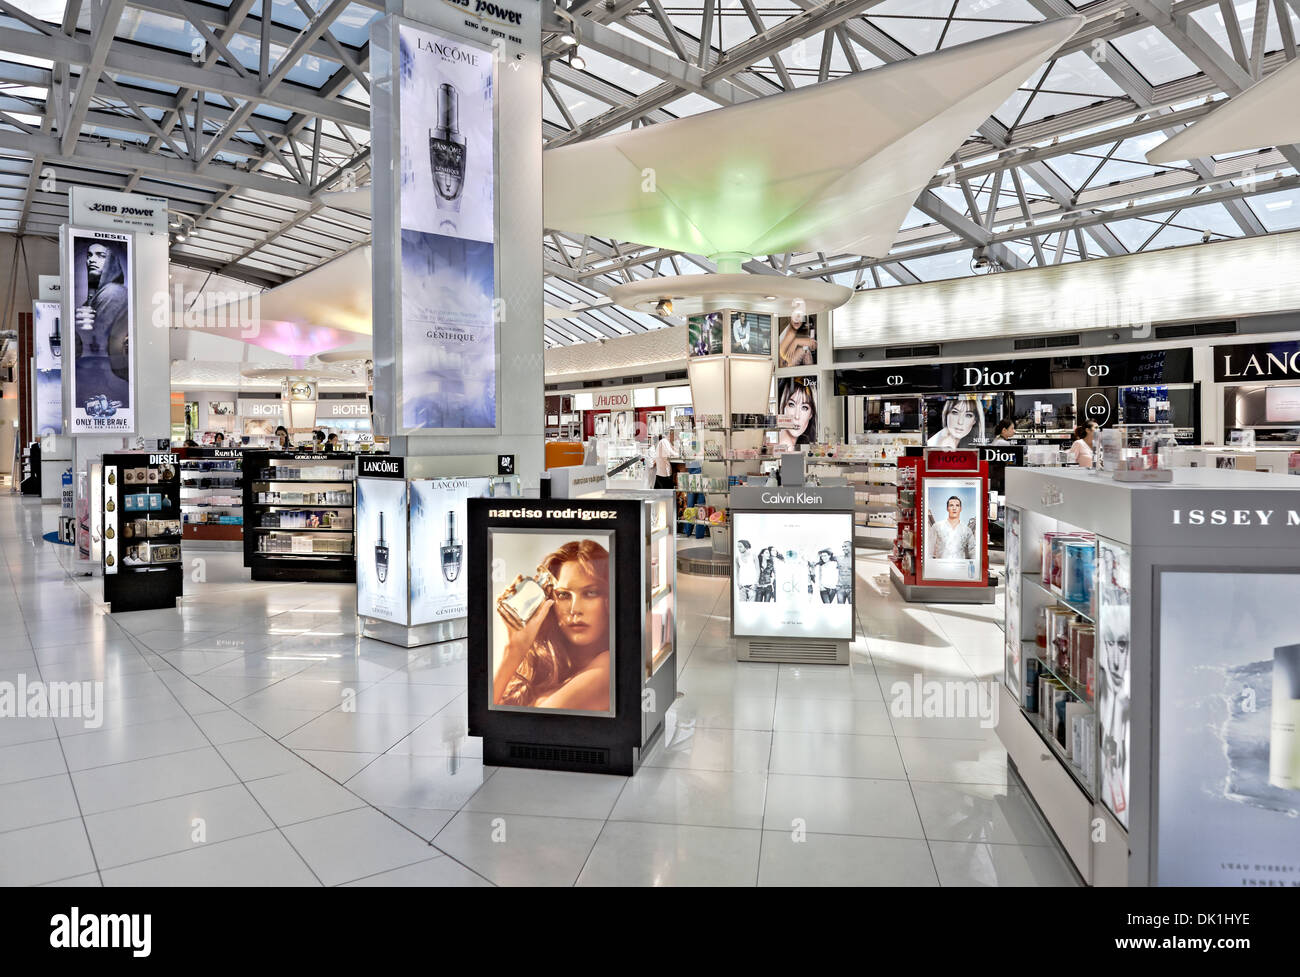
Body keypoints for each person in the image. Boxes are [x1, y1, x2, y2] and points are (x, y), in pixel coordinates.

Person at [493, 540, 612, 712]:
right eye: (563, 595)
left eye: (590, 593)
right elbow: (487, 717)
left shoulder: (609, 666)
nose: (575, 609)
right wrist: (514, 648)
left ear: (609, 599)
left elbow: (527, 727)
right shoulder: (546, 671)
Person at [74, 240, 130, 412]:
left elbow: (96, 339)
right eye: (89, 255)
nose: (92, 260)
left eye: (100, 255)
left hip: (105, 373)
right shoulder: (96, 296)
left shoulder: (113, 293)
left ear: (111, 260)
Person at [929, 494, 977, 563]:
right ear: (947, 508)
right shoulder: (937, 526)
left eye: (957, 505)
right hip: (940, 568)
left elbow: (973, 552)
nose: (954, 508)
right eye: (951, 505)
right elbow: (929, 550)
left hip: (960, 568)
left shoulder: (967, 530)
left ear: (960, 509)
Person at [777, 377, 817, 449]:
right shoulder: (784, 446)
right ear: (781, 406)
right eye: (791, 404)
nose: (797, 416)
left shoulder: (802, 445)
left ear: (811, 414)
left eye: (804, 407)